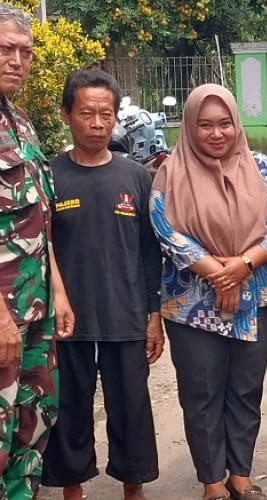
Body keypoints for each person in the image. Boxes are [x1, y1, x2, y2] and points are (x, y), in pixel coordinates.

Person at [150, 84, 267, 500]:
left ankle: (241, 476)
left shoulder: (262, 167)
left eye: (225, 123)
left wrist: (241, 266)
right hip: (190, 301)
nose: (216, 133)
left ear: (236, 124)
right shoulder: (171, 171)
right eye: (205, 125)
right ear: (190, 128)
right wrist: (217, 273)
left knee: (245, 389)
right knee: (202, 391)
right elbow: (164, 228)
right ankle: (212, 481)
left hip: (255, 296)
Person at [40, 69, 163, 500]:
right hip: (67, 319)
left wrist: (153, 316)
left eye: (105, 114)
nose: (96, 124)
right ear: (66, 114)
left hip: (125, 314)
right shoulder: (49, 176)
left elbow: (151, 253)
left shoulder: (135, 177)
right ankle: (71, 488)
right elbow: (40, 245)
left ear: (115, 117)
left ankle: (134, 488)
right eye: (86, 113)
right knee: (69, 407)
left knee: (131, 408)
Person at [0, 4, 74, 498]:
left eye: (25, 52)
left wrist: (60, 293)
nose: (17, 61)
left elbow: (37, 221)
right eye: (6, 48)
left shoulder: (21, 122)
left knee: (32, 425)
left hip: (37, 309)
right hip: (3, 312)